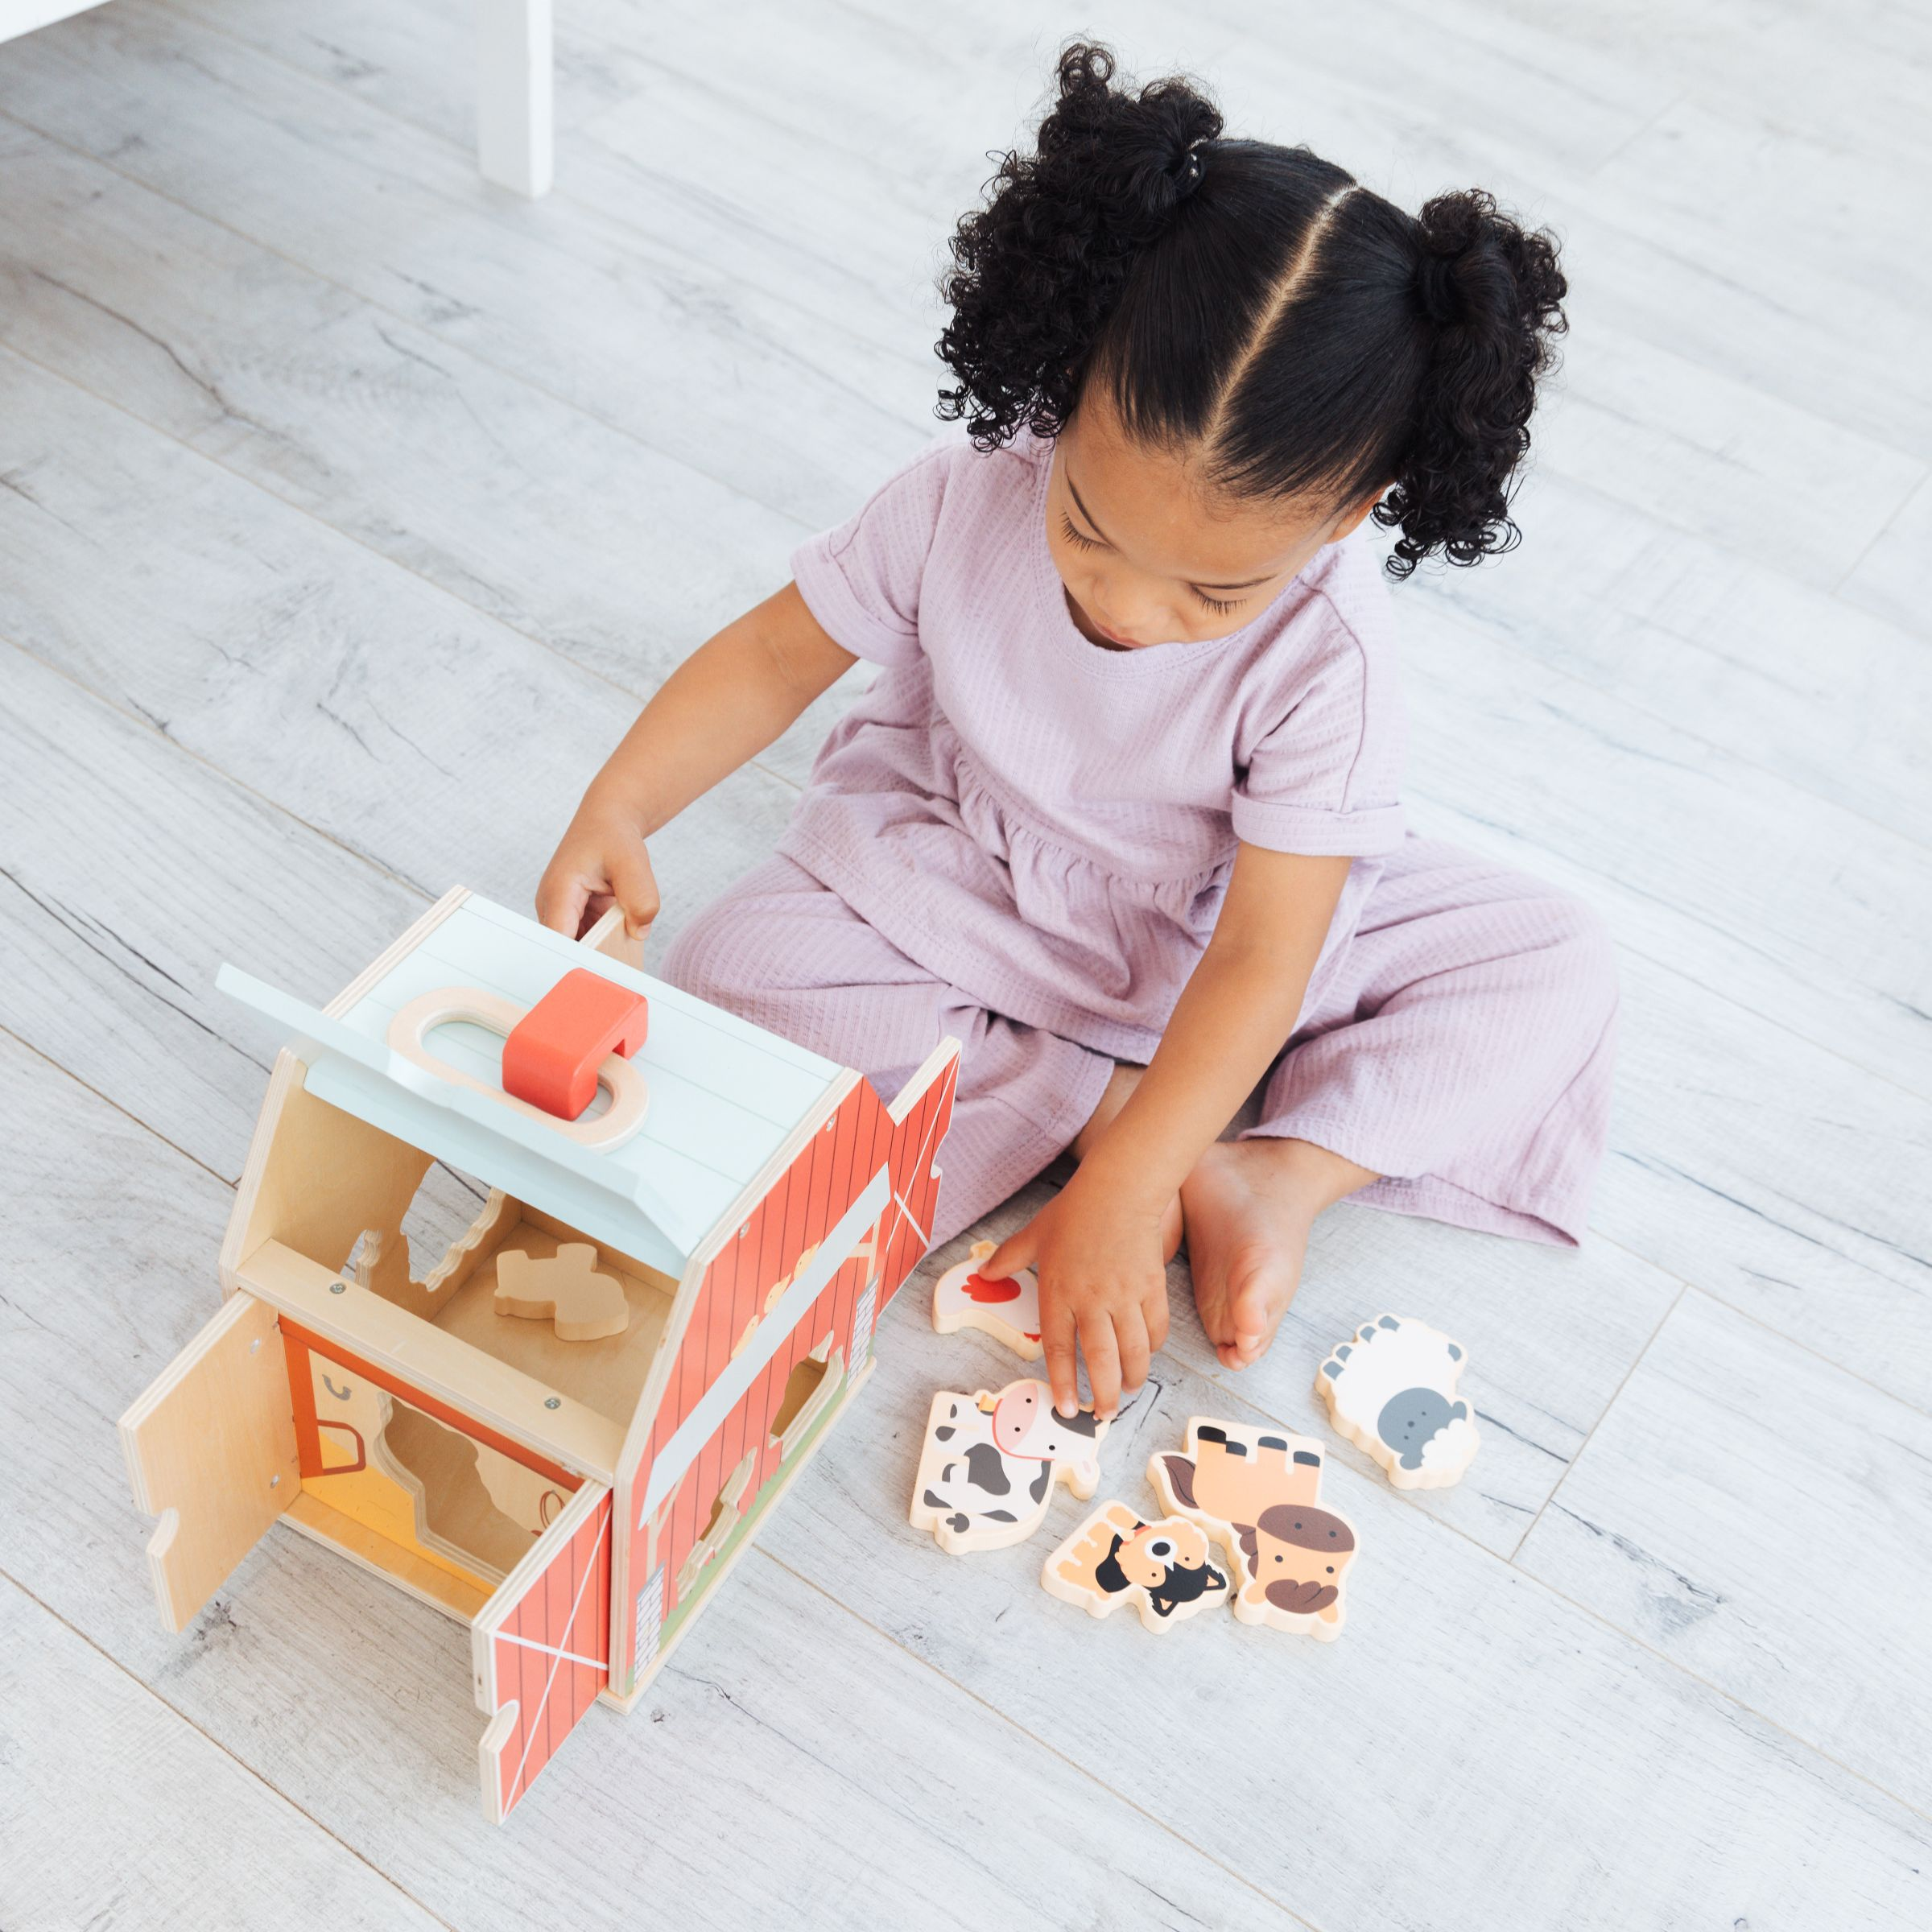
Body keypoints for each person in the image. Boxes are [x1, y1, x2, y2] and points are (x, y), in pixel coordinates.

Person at [538, 43, 1617, 1424]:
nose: (1127, 606)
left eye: (1213, 590)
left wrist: (1131, 1187)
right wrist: (622, 804)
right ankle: (1117, 1107)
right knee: (732, 971)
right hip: (954, 876)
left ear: (1352, 512)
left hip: (1208, 948)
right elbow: (769, 656)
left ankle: (1261, 1171)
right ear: (1066, 382)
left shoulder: (1330, 659)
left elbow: (1264, 955)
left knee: (1554, 961)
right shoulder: (964, 492)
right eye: (1087, 531)